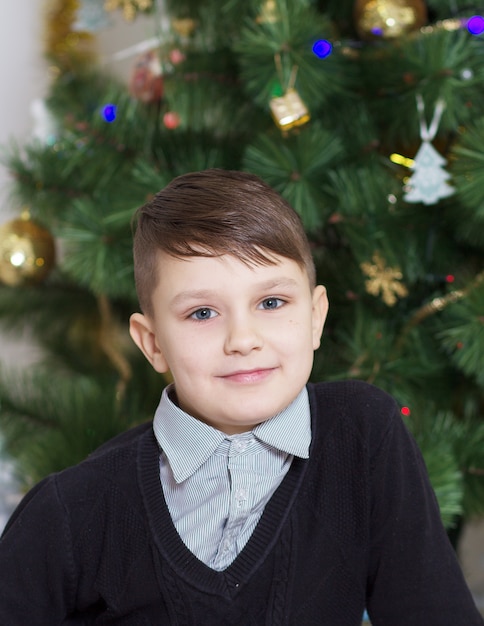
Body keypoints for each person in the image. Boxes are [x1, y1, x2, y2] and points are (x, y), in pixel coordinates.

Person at [0, 169, 482, 625]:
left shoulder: (361, 436)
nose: (243, 339)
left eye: (271, 303)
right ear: (152, 344)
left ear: (315, 317)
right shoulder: (74, 508)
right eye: (203, 313)